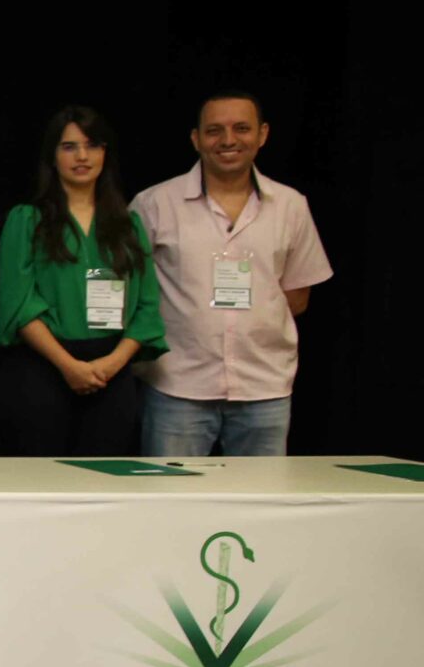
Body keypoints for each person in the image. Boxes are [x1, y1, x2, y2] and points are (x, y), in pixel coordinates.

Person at [132, 92, 334, 456]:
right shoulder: (154, 204)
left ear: (263, 134)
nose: (228, 140)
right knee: (168, 503)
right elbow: (132, 293)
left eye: (242, 128)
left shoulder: (291, 206)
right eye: (214, 130)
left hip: (265, 387)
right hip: (177, 385)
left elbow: (298, 296)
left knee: (260, 505)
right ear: (195, 138)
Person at [0, 107, 165, 457]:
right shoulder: (27, 220)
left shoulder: (128, 224)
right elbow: (19, 303)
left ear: (105, 153)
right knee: (43, 485)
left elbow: (147, 307)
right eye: (69, 147)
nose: (82, 156)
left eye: (92, 145)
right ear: (52, 157)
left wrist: (112, 364)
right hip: (44, 368)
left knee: (104, 486)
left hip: (111, 372)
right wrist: (69, 366)